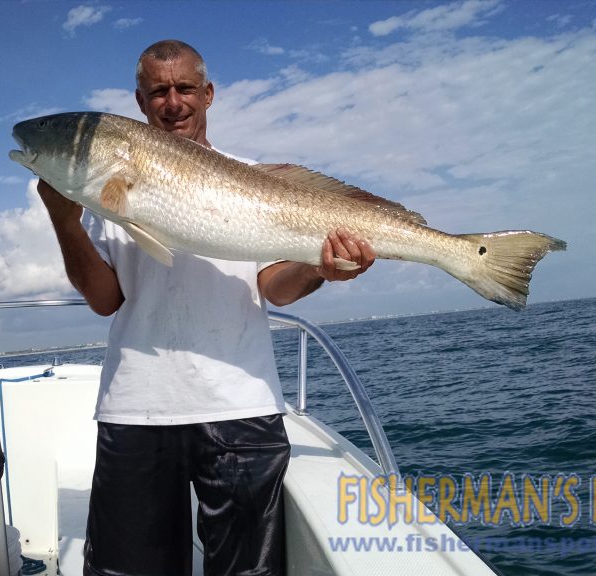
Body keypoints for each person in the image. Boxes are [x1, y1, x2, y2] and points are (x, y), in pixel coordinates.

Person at [36, 39, 376, 576]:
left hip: (240, 405)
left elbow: (276, 288)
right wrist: (64, 220)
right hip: (136, 405)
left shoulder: (257, 181)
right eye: (158, 91)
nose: (173, 102)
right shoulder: (103, 189)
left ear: (208, 94)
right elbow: (104, 300)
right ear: (140, 101)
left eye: (185, 88)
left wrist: (319, 266)